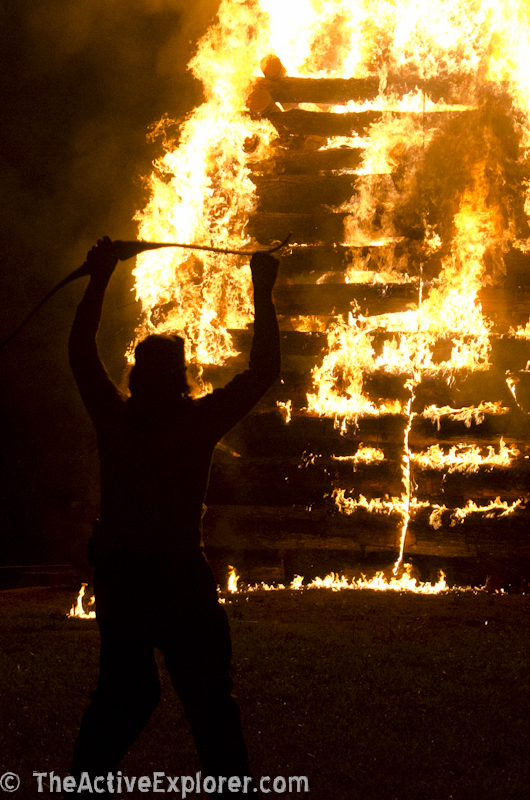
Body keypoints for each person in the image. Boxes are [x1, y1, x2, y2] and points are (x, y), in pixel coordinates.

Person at [68, 237, 280, 794]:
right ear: (182, 377)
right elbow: (263, 371)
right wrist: (262, 288)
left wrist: (99, 277)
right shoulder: (195, 424)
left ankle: (82, 785)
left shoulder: (116, 420)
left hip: (121, 576)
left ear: (137, 377)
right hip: (176, 577)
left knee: (127, 693)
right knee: (210, 700)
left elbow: (81, 353)